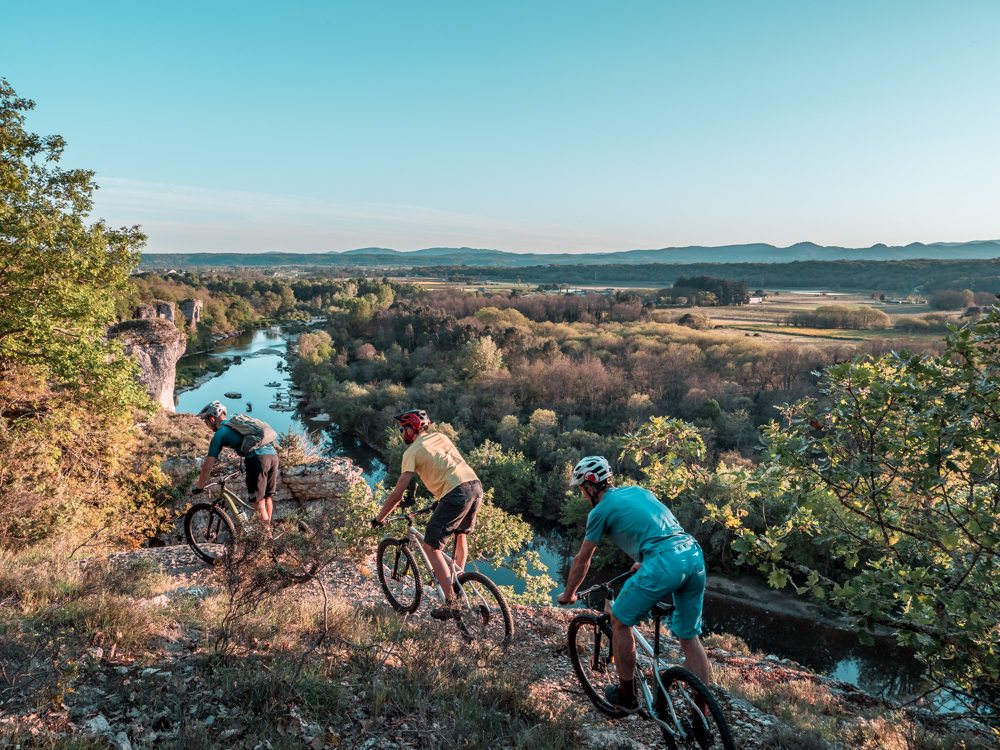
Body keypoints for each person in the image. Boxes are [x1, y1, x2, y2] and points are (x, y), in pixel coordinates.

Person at [557, 456, 711, 711]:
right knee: (689, 636)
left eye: (582, 489)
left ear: (591, 487)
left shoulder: (599, 511)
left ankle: (626, 697)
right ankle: (701, 716)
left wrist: (569, 593)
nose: (583, 495)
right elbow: (661, 530)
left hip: (664, 562)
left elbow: (583, 559)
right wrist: (645, 560)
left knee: (619, 620)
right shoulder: (638, 491)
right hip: (692, 555)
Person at [371, 410, 483, 620]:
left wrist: (380, 518)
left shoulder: (411, 452)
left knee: (431, 546)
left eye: (402, 429)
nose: (401, 434)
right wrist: (441, 500)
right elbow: (447, 466)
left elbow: (397, 494)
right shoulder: (441, 436)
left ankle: (451, 603)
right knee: (460, 534)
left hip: (455, 493)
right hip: (475, 487)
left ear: (410, 429)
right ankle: (457, 581)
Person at [192, 401, 279, 534]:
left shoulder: (220, 433)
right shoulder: (236, 424)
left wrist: (199, 487)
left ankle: (267, 540)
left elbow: (208, 465)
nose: (206, 425)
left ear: (212, 419)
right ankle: (268, 532)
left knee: (258, 502)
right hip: (273, 456)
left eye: (206, 422)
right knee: (267, 498)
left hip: (257, 459)